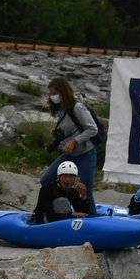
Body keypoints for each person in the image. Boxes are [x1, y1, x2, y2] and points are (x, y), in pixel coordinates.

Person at [40, 75, 99, 206]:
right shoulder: (61, 109)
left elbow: (92, 129)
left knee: (85, 191)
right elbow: (70, 127)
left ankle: (90, 219)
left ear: (63, 92)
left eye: (54, 93)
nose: (52, 97)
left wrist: (74, 141)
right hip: (69, 154)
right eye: (50, 94)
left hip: (86, 154)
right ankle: (59, 208)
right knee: (46, 180)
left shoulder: (77, 107)